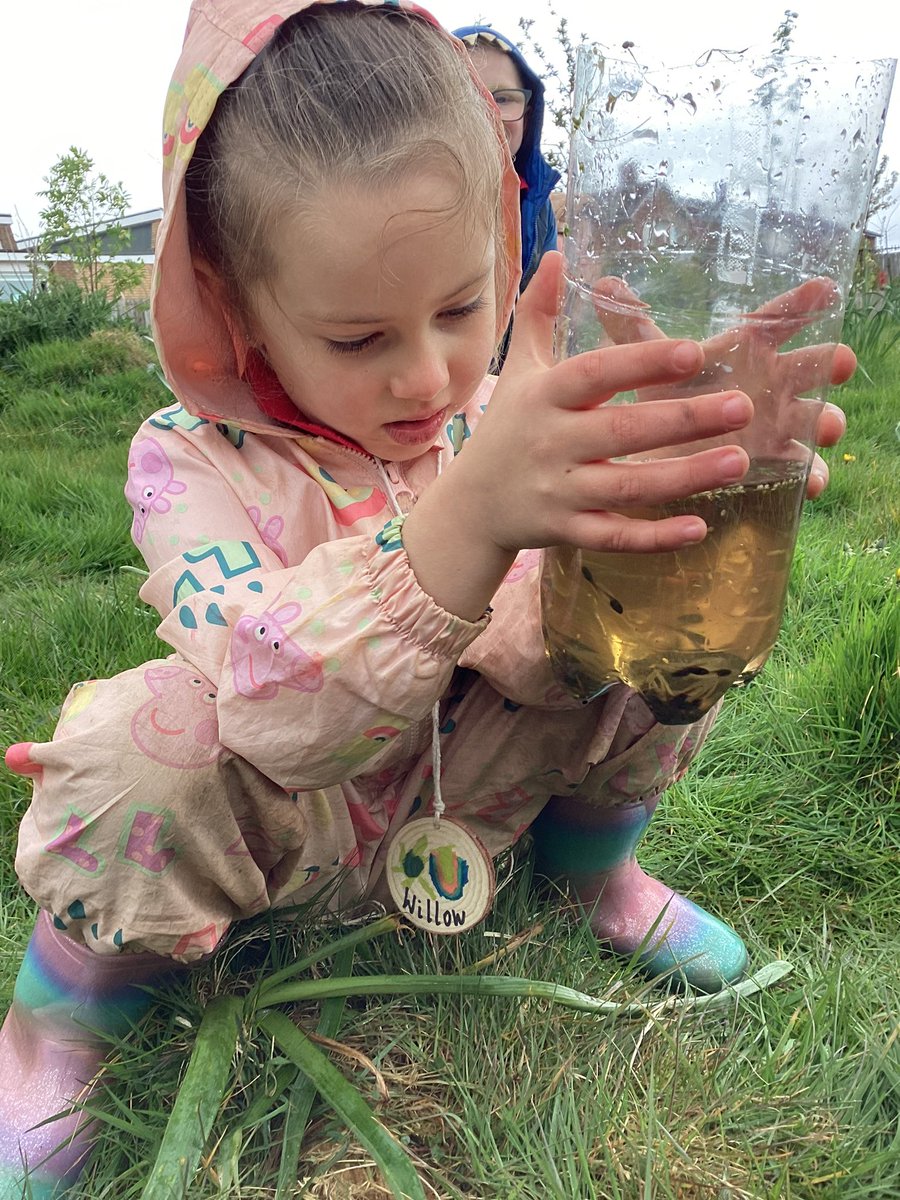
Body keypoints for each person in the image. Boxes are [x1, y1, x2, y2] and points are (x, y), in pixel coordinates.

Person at [0, 0, 851, 1194]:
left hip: (484, 794)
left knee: (658, 601)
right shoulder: (185, 463)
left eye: (461, 308)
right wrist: (468, 524)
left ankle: (594, 871)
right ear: (241, 312)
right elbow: (273, 708)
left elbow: (569, 622)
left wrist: (678, 475)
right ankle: (65, 1015)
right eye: (356, 338)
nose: (427, 372)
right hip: (297, 829)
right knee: (146, 749)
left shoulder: (517, 403)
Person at [454, 25, 561, 297]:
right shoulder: (405, 202)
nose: (489, 114)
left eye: (503, 98)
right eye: (468, 96)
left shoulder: (539, 209)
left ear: (528, 112)